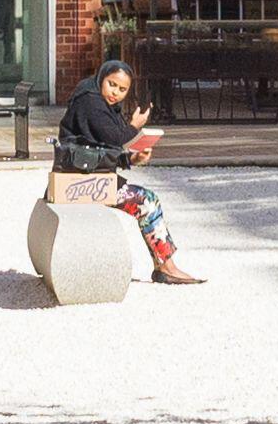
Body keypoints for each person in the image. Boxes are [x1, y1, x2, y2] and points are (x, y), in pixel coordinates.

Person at [54, 53, 204, 284]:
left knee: (145, 199)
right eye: (111, 84)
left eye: (122, 89)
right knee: (147, 201)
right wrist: (135, 126)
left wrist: (130, 160)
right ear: (102, 78)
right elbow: (116, 139)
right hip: (82, 182)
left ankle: (165, 265)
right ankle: (166, 267)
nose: (115, 92)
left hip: (85, 173)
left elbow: (97, 148)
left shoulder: (93, 95)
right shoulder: (91, 102)